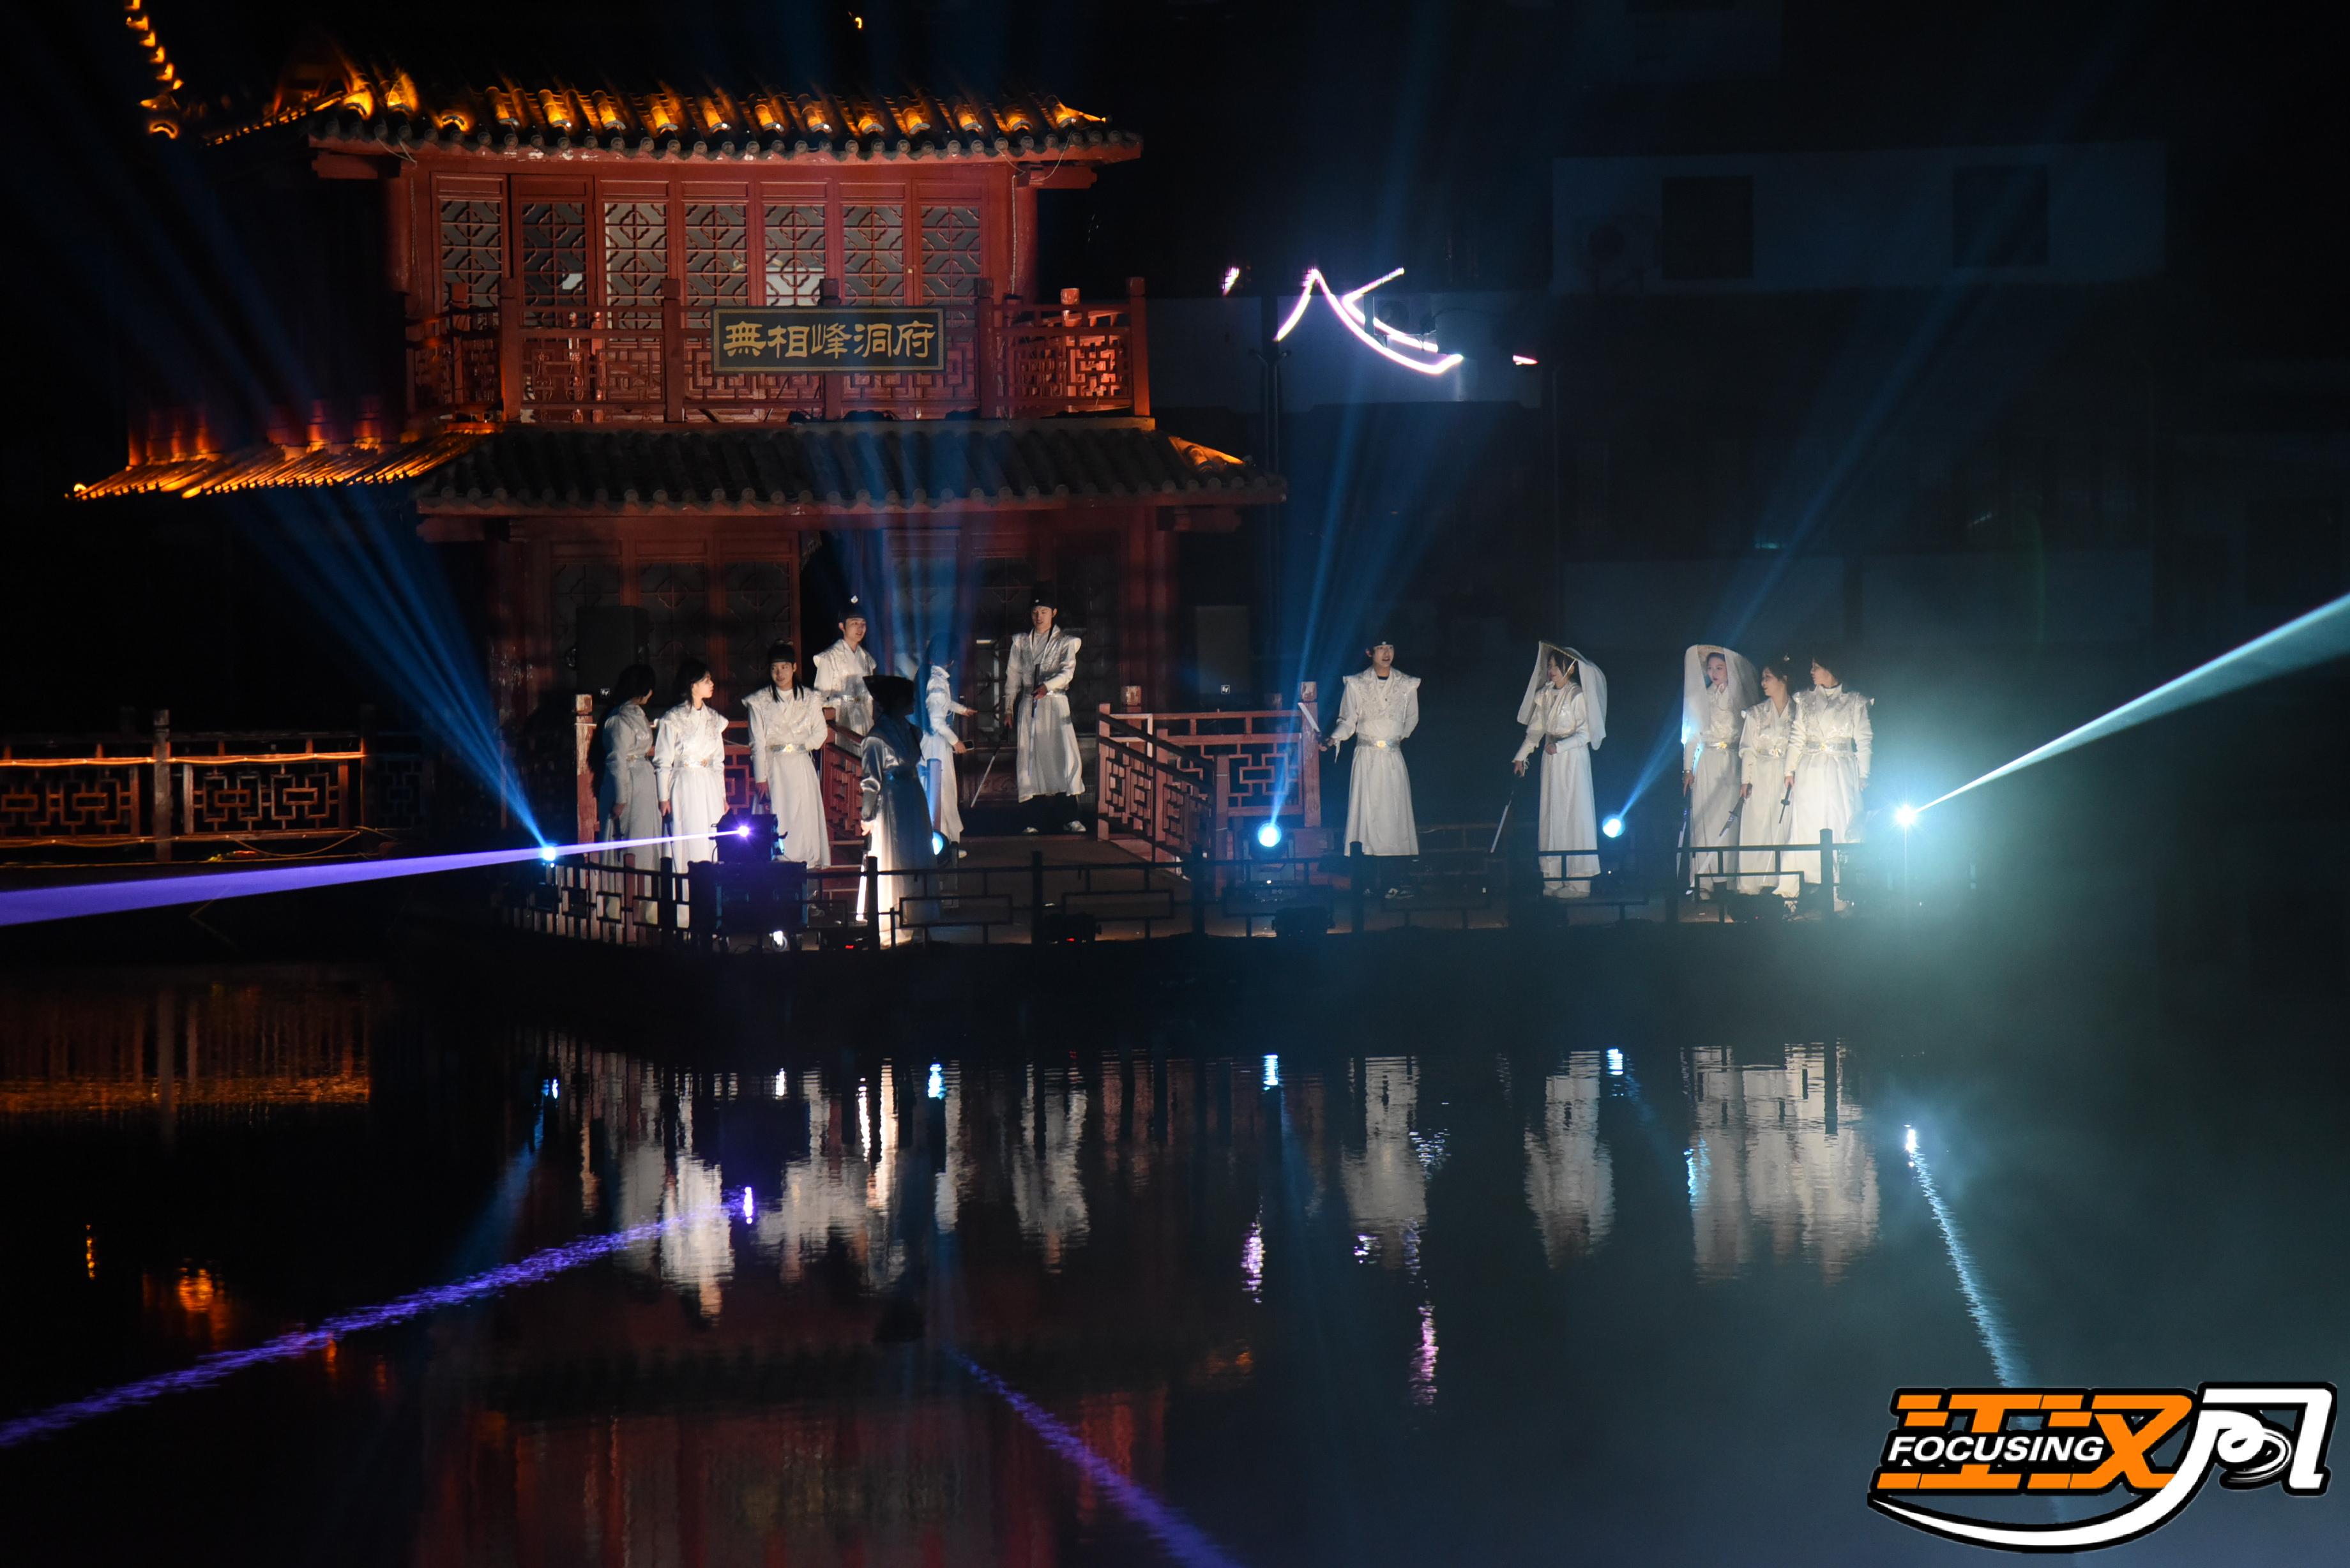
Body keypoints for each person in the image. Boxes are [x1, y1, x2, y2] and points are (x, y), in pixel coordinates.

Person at [1512, 644, 1607, 900]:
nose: (1551, 670)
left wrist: (1561, 746)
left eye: (1556, 666)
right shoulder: (1544, 695)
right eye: (1550, 666)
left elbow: (1586, 733)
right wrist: (1521, 756)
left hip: (1572, 759)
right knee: (1552, 813)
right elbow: (1536, 730)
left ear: (1570, 668)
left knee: (1574, 814)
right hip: (1551, 760)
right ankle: (1553, 877)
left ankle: (1579, 882)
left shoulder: (1577, 696)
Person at [1326, 638, 1421, 893]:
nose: (1386, 653)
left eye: (1390, 648)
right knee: (1365, 817)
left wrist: (1391, 739)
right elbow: (1348, 720)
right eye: (1381, 648)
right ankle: (1365, 884)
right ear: (1370, 652)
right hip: (1366, 757)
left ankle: (1393, 883)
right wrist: (1334, 738)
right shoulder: (1357, 684)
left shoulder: (1407, 684)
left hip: (1391, 756)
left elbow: (1411, 720)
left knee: (1393, 816)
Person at [1780, 652, 1873, 910]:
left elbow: (1864, 740)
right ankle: (1793, 891)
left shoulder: (1854, 701)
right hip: (1810, 769)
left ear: (1829, 668)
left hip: (1841, 770)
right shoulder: (1805, 699)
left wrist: (1864, 774)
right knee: (1806, 824)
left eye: (1816, 667)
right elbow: (1797, 736)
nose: (1812, 672)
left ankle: (1840, 892)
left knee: (1840, 821)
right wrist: (1789, 770)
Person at [858, 675, 942, 937]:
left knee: (916, 850)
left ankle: (918, 915)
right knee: (895, 851)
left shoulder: (911, 731)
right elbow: (871, 780)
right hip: (892, 800)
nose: (913, 703)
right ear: (896, 701)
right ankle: (893, 917)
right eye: (909, 699)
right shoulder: (877, 738)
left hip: (912, 797)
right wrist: (867, 815)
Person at [741, 640, 830, 870]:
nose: (779, 674)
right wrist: (760, 778)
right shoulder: (759, 701)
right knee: (777, 812)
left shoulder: (810, 698)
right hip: (774, 765)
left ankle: (805, 861)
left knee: (802, 813)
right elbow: (757, 743)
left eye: (784, 667)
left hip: (800, 763)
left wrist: (800, 746)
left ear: (794, 667)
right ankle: (776, 860)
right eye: (774, 668)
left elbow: (821, 732)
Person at [1003, 590, 1085, 834]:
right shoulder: (1021, 642)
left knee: (1063, 756)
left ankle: (1069, 817)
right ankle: (1033, 819)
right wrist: (1008, 708)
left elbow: (1067, 672)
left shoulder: (1065, 642)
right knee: (1030, 759)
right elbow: (1013, 676)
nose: (1039, 617)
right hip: (1030, 704)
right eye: (1035, 612)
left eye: (1044, 612)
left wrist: (1047, 686)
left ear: (1054, 613)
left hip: (1055, 704)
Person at [1682, 645, 1758, 896]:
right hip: (1707, 760)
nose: (1714, 673)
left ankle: (1732, 878)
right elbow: (1692, 735)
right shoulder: (1703, 697)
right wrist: (1687, 769)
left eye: (1719, 668)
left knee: (1730, 818)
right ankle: (1703, 880)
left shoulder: (1740, 697)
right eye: (1710, 669)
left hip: (1732, 762)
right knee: (1704, 818)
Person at [1735, 655, 1801, 894]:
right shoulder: (1756, 713)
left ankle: (1784, 881)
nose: (1763, 683)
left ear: (1783, 679)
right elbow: (1748, 749)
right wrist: (1746, 780)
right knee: (1758, 824)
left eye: (1768, 677)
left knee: (1785, 824)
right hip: (1762, 773)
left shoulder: (1798, 710)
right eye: (1763, 678)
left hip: (1787, 774)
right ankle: (1753, 881)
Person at [654, 659, 729, 868]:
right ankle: (685, 885)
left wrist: (722, 796)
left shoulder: (714, 719)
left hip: (709, 785)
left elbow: (718, 762)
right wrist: (663, 797)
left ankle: (710, 884)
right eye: (706, 680)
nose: (711, 684)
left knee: (710, 835)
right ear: (692, 685)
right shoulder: (673, 718)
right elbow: (663, 761)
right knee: (688, 832)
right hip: (684, 783)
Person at [596, 664, 660, 872]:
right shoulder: (618, 719)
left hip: (643, 780)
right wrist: (621, 798)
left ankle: (646, 887)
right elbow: (617, 759)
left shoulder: (638, 714)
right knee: (627, 835)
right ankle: (623, 888)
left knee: (643, 835)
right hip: (628, 781)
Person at [920, 638, 975, 854]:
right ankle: (943, 845)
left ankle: (944, 843)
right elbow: (936, 720)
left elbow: (942, 703)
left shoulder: (934, 678)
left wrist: (961, 709)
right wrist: (956, 741)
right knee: (940, 791)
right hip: (935, 743)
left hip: (935, 741)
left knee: (941, 790)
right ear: (951, 660)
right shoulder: (936, 681)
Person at [812, 597, 877, 738]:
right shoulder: (830, 657)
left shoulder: (867, 659)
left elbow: (869, 697)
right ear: (842, 626)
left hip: (864, 718)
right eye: (855, 623)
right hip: (840, 719)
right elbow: (819, 697)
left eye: (863, 624)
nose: (860, 628)